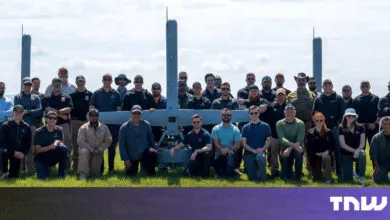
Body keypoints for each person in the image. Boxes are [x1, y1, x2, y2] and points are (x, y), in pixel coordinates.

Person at [312, 79, 345, 179]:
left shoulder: (338, 98)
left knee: (337, 151)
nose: (327, 86)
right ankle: (318, 173)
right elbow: (314, 113)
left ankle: (339, 173)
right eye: (325, 85)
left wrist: (339, 123)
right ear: (322, 87)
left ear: (332, 86)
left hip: (334, 128)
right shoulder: (318, 99)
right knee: (319, 150)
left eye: (329, 84)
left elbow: (342, 114)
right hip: (321, 128)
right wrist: (318, 124)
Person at [89, 73, 121, 172]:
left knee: (112, 147)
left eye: (109, 79)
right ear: (102, 81)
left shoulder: (116, 94)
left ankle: (111, 168)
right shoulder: (97, 93)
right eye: (105, 79)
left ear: (111, 81)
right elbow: (91, 108)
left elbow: (119, 110)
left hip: (113, 125)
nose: (107, 81)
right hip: (100, 125)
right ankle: (100, 168)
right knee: (100, 146)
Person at [42, 77, 73, 170]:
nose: (57, 87)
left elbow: (69, 109)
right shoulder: (47, 97)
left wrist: (55, 112)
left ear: (61, 86)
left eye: (59, 86)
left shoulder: (67, 97)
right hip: (50, 125)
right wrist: (61, 114)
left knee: (66, 144)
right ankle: (51, 167)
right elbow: (47, 109)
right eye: (55, 85)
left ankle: (66, 167)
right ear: (52, 86)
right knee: (50, 145)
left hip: (64, 125)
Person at [119, 105, 158, 176]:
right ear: (131, 114)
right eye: (134, 113)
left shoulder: (146, 125)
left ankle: (150, 171)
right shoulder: (124, 127)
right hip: (132, 155)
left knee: (152, 153)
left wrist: (156, 151)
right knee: (131, 174)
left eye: (138, 113)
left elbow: (151, 140)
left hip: (144, 154)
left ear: (141, 114)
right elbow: (121, 145)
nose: (136, 115)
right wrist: (126, 159)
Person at [14, 77, 42, 173]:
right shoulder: (18, 97)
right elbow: (18, 110)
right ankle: (20, 169)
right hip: (20, 125)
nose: (28, 86)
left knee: (31, 148)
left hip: (32, 126)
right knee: (20, 147)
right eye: (26, 84)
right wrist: (28, 112)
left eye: (29, 85)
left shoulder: (36, 98)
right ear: (23, 85)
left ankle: (30, 170)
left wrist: (28, 111)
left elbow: (39, 111)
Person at [77, 109, 112, 180]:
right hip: (87, 149)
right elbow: (80, 141)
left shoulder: (104, 127)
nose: (94, 117)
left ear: (98, 116)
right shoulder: (83, 127)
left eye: (96, 115)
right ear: (89, 117)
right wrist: (91, 149)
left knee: (94, 175)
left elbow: (109, 140)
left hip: (98, 151)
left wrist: (100, 149)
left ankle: (92, 172)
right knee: (84, 151)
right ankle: (83, 174)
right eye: (92, 115)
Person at [33, 111, 68, 179]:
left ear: (56, 120)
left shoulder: (59, 129)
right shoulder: (39, 131)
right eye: (50, 118)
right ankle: (44, 169)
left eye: (54, 118)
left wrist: (56, 142)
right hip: (42, 158)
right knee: (42, 178)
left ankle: (61, 174)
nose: (52, 120)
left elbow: (61, 143)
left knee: (64, 148)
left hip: (53, 156)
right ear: (46, 119)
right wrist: (50, 147)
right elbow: (37, 150)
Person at [241, 105, 271, 181]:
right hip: (249, 154)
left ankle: (263, 178)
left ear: (259, 113)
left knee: (261, 157)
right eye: (252, 113)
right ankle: (258, 172)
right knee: (252, 178)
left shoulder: (265, 126)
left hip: (260, 153)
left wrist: (262, 149)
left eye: (256, 113)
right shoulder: (245, 127)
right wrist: (253, 151)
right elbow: (244, 144)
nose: (254, 115)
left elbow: (269, 142)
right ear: (249, 114)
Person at [69, 75, 93, 171]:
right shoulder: (71, 96)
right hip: (75, 122)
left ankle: (87, 166)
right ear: (76, 83)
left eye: (82, 81)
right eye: (78, 81)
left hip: (87, 122)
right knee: (75, 145)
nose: (80, 83)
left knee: (88, 144)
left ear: (85, 82)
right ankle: (75, 167)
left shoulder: (90, 94)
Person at [1, 105, 32, 178]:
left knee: (13, 176)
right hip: (8, 151)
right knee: (3, 151)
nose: (17, 114)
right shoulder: (6, 125)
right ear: (13, 113)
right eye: (16, 112)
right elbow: (2, 142)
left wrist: (23, 153)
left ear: (22, 113)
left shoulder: (26, 127)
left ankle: (10, 173)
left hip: (18, 153)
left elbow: (28, 143)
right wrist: (13, 152)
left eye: (19, 112)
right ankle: (4, 171)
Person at [276, 104, 305, 181]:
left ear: (295, 112)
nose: (289, 113)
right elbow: (282, 139)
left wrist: (290, 148)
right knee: (285, 175)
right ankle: (287, 174)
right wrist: (290, 147)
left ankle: (298, 176)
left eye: (291, 111)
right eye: (287, 111)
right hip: (285, 147)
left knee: (299, 153)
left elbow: (300, 139)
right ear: (284, 112)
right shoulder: (279, 123)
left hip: (297, 146)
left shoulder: (300, 123)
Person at [339, 108, 366, 185]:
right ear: (345, 117)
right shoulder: (341, 128)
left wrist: (357, 151)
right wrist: (354, 151)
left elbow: (362, 143)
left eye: (353, 116)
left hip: (358, 151)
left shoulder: (361, 127)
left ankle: (361, 177)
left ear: (355, 117)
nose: (351, 117)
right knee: (348, 180)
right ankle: (352, 172)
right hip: (345, 152)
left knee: (362, 154)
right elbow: (343, 144)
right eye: (348, 116)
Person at [211, 108, 241, 178]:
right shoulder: (216, 128)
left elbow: (237, 144)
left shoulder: (235, 129)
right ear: (221, 116)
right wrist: (222, 150)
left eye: (228, 115)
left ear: (231, 116)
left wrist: (229, 149)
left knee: (230, 155)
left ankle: (230, 174)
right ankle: (227, 172)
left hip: (231, 151)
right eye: (224, 115)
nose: (226, 116)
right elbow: (216, 143)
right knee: (221, 174)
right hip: (219, 151)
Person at [306, 112, 334, 183]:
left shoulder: (329, 132)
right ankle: (315, 173)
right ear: (314, 121)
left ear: (324, 121)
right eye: (317, 120)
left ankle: (328, 177)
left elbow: (332, 146)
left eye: (321, 120)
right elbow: (308, 148)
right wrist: (309, 159)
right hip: (315, 156)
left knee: (326, 157)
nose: (319, 122)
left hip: (326, 154)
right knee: (317, 179)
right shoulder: (310, 132)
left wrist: (326, 152)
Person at [353, 80, 380, 149]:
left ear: (369, 87)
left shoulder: (376, 98)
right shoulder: (356, 99)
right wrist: (358, 124)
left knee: (375, 149)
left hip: (373, 127)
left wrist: (375, 124)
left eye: (366, 86)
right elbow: (353, 115)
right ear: (360, 88)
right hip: (360, 127)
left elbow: (380, 113)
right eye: (363, 86)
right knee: (360, 149)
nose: (365, 87)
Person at [269, 88, 287, 177]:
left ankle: (285, 170)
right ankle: (274, 171)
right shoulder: (272, 107)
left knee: (284, 154)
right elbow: (269, 121)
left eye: (282, 94)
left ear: (285, 96)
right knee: (273, 154)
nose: (280, 96)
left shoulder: (289, 107)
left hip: (285, 135)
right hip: (274, 135)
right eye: (279, 94)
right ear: (276, 96)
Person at [370, 116, 390, 184]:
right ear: (381, 125)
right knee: (378, 180)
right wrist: (377, 167)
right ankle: (383, 176)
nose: (387, 126)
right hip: (382, 164)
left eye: (389, 124)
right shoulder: (376, 138)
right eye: (385, 124)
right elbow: (373, 154)